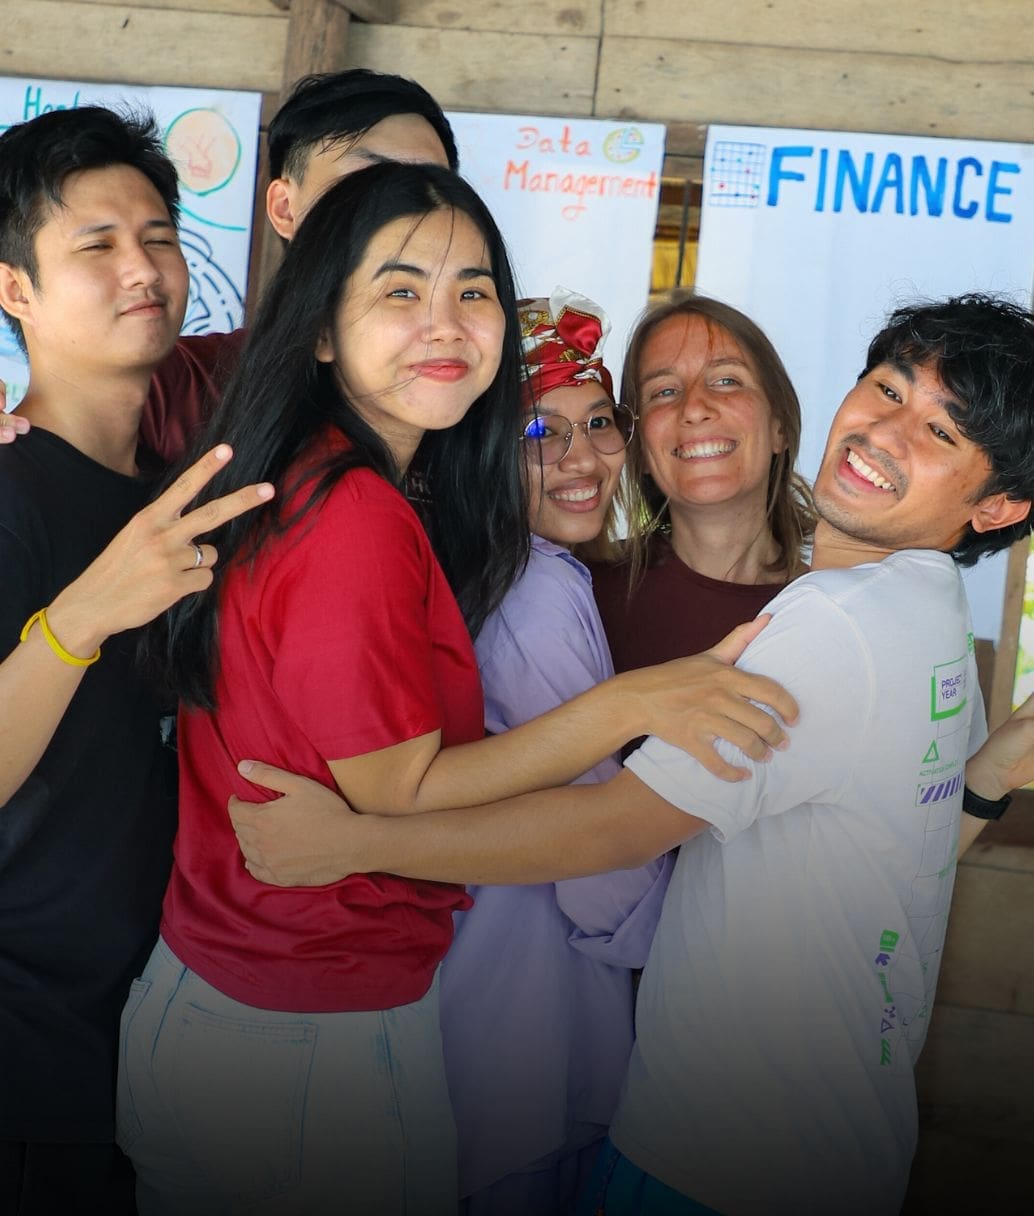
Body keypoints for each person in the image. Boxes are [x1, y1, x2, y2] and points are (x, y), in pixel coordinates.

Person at [231, 294, 1034, 1215]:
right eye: (888, 388)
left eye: (938, 431)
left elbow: (615, 833)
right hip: (775, 1122)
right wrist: (989, 778)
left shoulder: (835, 622)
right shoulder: (924, 615)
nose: (886, 429)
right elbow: (900, 851)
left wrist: (353, 842)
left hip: (715, 1147)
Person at [120, 162, 796, 1216]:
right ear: (322, 328)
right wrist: (631, 704)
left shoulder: (344, 485)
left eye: (471, 288)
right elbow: (399, 793)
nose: (444, 321)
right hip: (300, 1033)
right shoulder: (357, 514)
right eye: (400, 289)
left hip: (267, 1003)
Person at [0, 106, 272, 1216]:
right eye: (95, 245)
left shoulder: (180, 488)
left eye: (158, 234)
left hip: (155, 1023)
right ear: (13, 288)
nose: (142, 267)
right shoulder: (10, 490)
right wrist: (82, 617)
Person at [442, 289, 671, 1215]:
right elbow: (594, 848)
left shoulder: (492, 562)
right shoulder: (535, 589)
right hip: (528, 1016)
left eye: (600, 422)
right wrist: (678, 948)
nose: (581, 459)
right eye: (541, 430)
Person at [0, 69, 458, 458]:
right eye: (366, 181)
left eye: (431, 183)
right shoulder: (187, 385)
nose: (407, 208)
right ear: (283, 208)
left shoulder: (480, 366)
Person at [590, 291, 815, 671]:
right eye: (664, 391)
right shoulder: (584, 594)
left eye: (727, 380)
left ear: (779, 427)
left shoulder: (833, 610)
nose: (694, 408)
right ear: (640, 448)